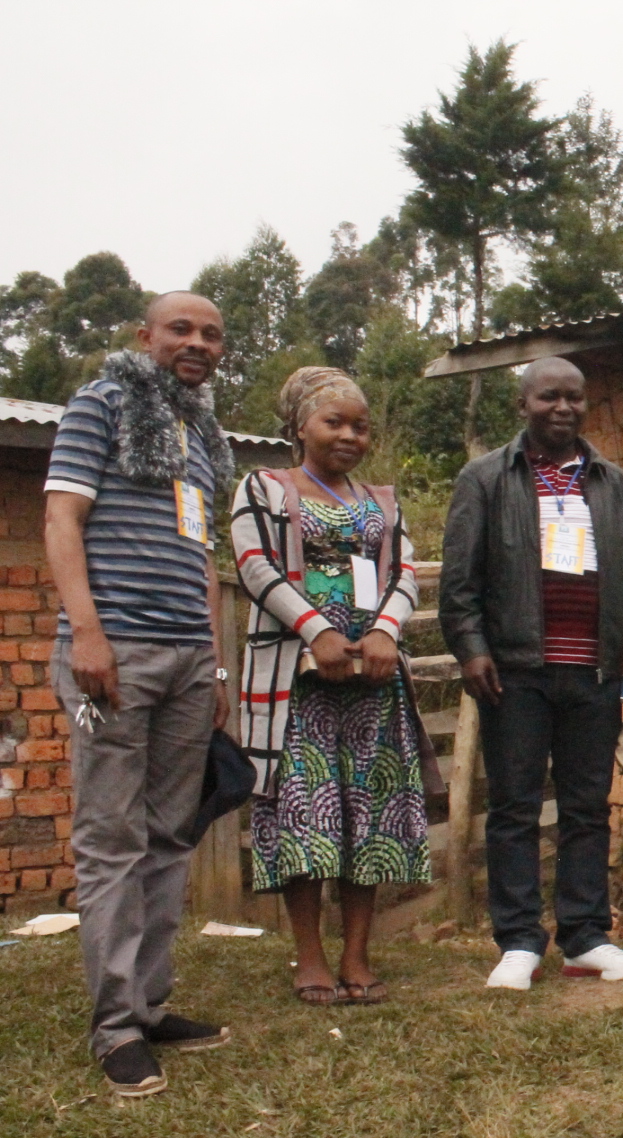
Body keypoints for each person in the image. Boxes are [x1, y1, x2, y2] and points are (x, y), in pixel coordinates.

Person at [43, 292, 235, 1097]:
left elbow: (198, 555)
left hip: (188, 657)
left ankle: (149, 1004)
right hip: (113, 652)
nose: (196, 343)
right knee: (111, 839)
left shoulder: (198, 435)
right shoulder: (104, 402)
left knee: (168, 836)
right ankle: (115, 1026)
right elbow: (59, 517)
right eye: (180, 330)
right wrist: (87, 634)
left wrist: (214, 661)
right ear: (144, 337)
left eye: (211, 334)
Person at [440, 356, 623, 989]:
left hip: (593, 672)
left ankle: (585, 937)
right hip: (515, 673)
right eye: (549, 398)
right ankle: (517, 942)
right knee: (514, 806)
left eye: (574, 398)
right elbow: (460, 581)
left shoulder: (613, 484)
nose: (562, 409)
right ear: (523, 406)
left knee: (587, 806)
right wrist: (471, 649)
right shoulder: (486, 479)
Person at [229, 367, 437, 1006]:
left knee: (367, 816)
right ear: (298, 428)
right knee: (303, 813)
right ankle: (311, 954)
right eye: (334, 422)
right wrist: (318, 632)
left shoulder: (383, 501)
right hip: (300, 682)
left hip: (372, 682)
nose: (350, 435)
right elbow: (253, 563)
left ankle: (356, 953)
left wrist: (384, 634)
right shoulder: (265, 487)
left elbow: (404, 572)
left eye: (360, 425)